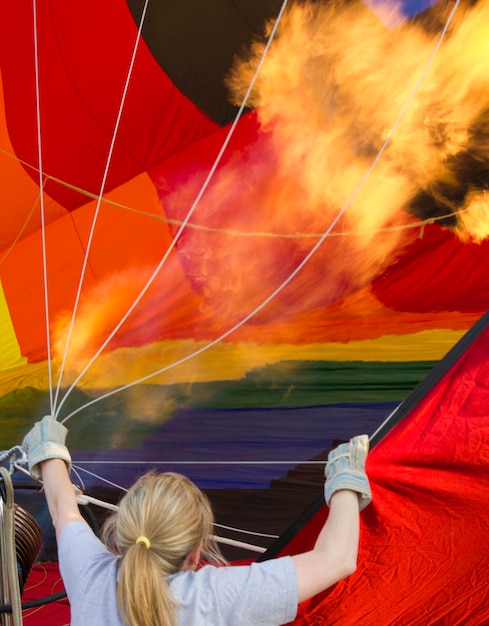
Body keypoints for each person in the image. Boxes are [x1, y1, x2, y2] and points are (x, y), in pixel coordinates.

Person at [22, 415, 372, 626]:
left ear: (120, 535)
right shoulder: (218, 595)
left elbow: (63, 508)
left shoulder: (89, 574)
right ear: (195, 553)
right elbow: (335, 558)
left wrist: (49, 451)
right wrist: (345, 475)